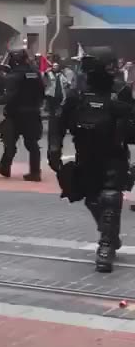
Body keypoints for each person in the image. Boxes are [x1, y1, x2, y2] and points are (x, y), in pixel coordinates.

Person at [48, 47, 134, 272]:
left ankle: (105, 246)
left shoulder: (121, 92)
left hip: (113, 155)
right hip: (85, 155)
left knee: (110, 198)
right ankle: (110, 234)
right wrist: (54, 149)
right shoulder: (77, 93)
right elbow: (59, 121)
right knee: (91, 199)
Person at [0, 48, 46, 181]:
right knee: (32, 144)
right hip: (32, 112)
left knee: (9, 142)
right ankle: (35, 172)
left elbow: (10, 95)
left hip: (15, 113)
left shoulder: (14, 76)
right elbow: (42, 92)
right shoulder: (35, 73)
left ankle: (5, 167)